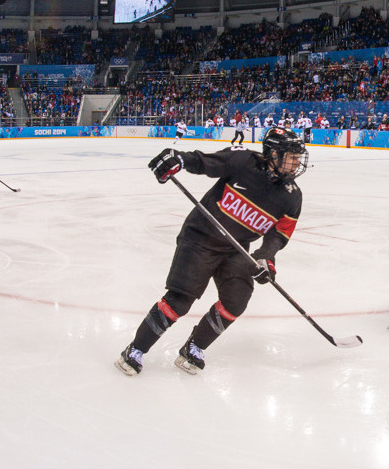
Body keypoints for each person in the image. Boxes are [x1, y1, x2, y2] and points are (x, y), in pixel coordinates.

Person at [117, 127, 308, 376]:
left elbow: (279, 234)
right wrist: (179, 159)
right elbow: (205, 162)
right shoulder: (243, 161)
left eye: (297, 157)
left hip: (237, 249)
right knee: (180, 300)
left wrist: (265, 257)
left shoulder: (292, 197)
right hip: (201, 237)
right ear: (273, 154)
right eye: (291, 156)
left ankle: (194, 347)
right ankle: (136, 349)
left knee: (236, 301)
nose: (296, 163)